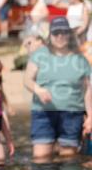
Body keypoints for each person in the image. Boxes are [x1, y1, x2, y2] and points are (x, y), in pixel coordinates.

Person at [24, 16, 92, 161]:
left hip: (72, 113)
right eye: (56, 33)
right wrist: (39, 90)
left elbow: (88, 90)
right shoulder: (40, 55)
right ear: (50, 35)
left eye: (63, 32)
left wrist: (91, 116)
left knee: (69, 161)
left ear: (69, 34)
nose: (60, 36)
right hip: (43, 113)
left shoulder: (80, 59)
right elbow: (27, 80)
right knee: (41, 158)